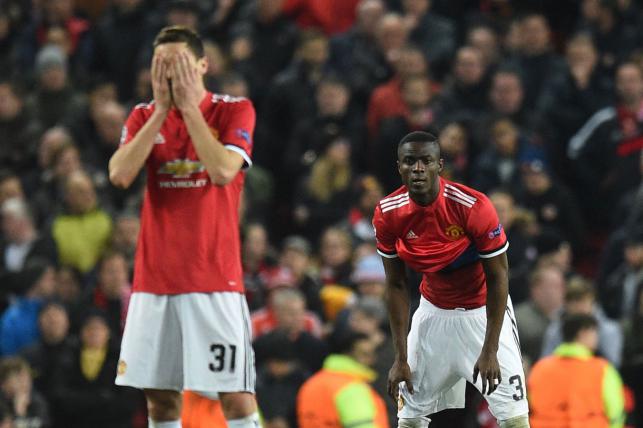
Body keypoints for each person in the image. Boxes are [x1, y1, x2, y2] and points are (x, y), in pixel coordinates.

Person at [108, 25, 259, 428]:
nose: (171, 74)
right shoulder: (143, 115)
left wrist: (189, 109)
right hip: (154, 281)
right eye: (161, 65)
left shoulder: (233, 110)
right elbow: (120, 174)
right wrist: (160, 111)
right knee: (159, 400)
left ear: (203, 65)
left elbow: (223, 170)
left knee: (237, 397)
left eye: (179, 64)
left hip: (214, 280)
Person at [373, 131, 529, 427]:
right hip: (433, 313)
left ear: (439, 165)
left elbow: (498, 276)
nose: (417, 168)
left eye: (425, 161)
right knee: (408, 418)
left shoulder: (473, 206)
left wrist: (490, 349)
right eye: (410, 161)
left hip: (482, 312)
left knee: (515, 419)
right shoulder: (387, 214)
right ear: (399, 167)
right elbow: (395, 284)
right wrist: (400, 357)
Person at [528, 313, 625, 427]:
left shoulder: (540, 368)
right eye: (594, 332)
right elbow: (615, 411)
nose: (596, 338)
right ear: (584, 333)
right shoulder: (602, 369)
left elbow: (529, 405)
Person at [297, 331, 389, 428]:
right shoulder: (352, 388)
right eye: (365, 354)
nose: (372, 360)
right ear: (348, 354)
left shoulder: (313, 383)